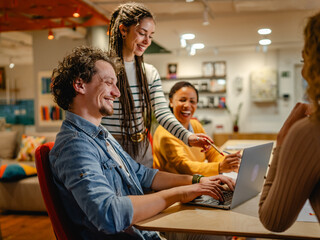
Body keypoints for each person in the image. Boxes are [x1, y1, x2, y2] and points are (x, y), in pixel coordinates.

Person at [49, 45, 235, 240]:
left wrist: (199, 181)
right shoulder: (75, 146)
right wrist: (182, 193)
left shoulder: (101, 134)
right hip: (136, 235)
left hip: (145, 231)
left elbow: (143, 174)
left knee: (219, 228)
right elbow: (109, 215)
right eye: (108, 83)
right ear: (80, 85)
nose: (117, 93)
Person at [258, 1, 320, 239]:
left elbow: (274, 220)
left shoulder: (313, 133)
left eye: (307, 61)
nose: (304, 72)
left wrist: (282, 143)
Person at [101, 2, 212, 168]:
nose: (147, 41)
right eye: (142, 33)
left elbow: (161, 112)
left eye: (151, 36)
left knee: (146, 191)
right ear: (123, 30)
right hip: (109, 146)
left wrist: (188, 137)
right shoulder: (101, 69)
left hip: (141, 148)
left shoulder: (149, 72)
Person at [153, 81, 241, 176]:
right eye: (182, 100)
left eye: (192, 101)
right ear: (171, 102)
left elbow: (211, 152)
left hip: (198, 180)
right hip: (175, 187)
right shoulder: (165, 132)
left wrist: (229, 163)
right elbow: (182, 166)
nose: (187, 105)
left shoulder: (195, 124)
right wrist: (219, 167)